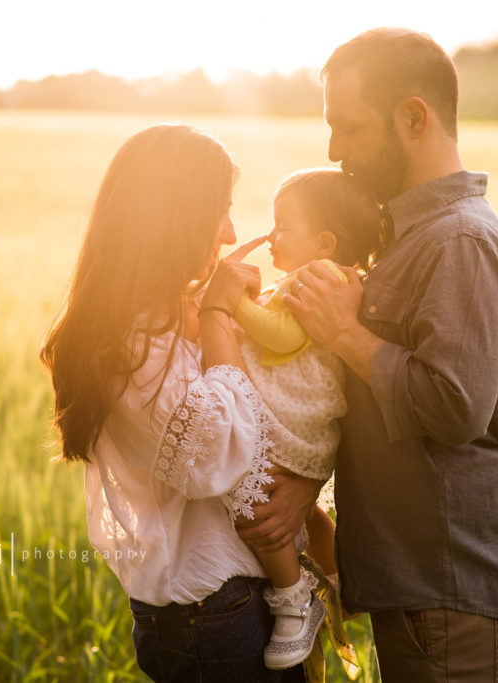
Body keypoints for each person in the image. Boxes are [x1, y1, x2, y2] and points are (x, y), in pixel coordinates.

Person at [240, 28, 498, 682]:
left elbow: (452, 408)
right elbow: (363, 398)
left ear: (413, 117)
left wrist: (344, 332)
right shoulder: (409, 238)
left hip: (460, 582)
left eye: (349, 128)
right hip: (426, 582)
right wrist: (309, 481)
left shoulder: (458, 241)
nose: (333, 150)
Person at [39, 124, 309, 682]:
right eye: (219, 211)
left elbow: (273, 420)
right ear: (171, 216)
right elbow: (216, 456)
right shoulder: (125, 342)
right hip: (211, 622)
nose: (232, 232)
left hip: (238, 610)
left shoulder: (171, 314)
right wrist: (216, 318)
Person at [229, 168, 381, 670]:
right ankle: (341, 581)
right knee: (308, 513)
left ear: (324, 243)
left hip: (295, 419)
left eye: (283, 226)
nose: (272, 235)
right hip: (303, 415)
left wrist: (231, 304)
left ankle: (293, 598)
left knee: (257, 497)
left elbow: (283, 336)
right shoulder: (320, 275)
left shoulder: (317, 278)